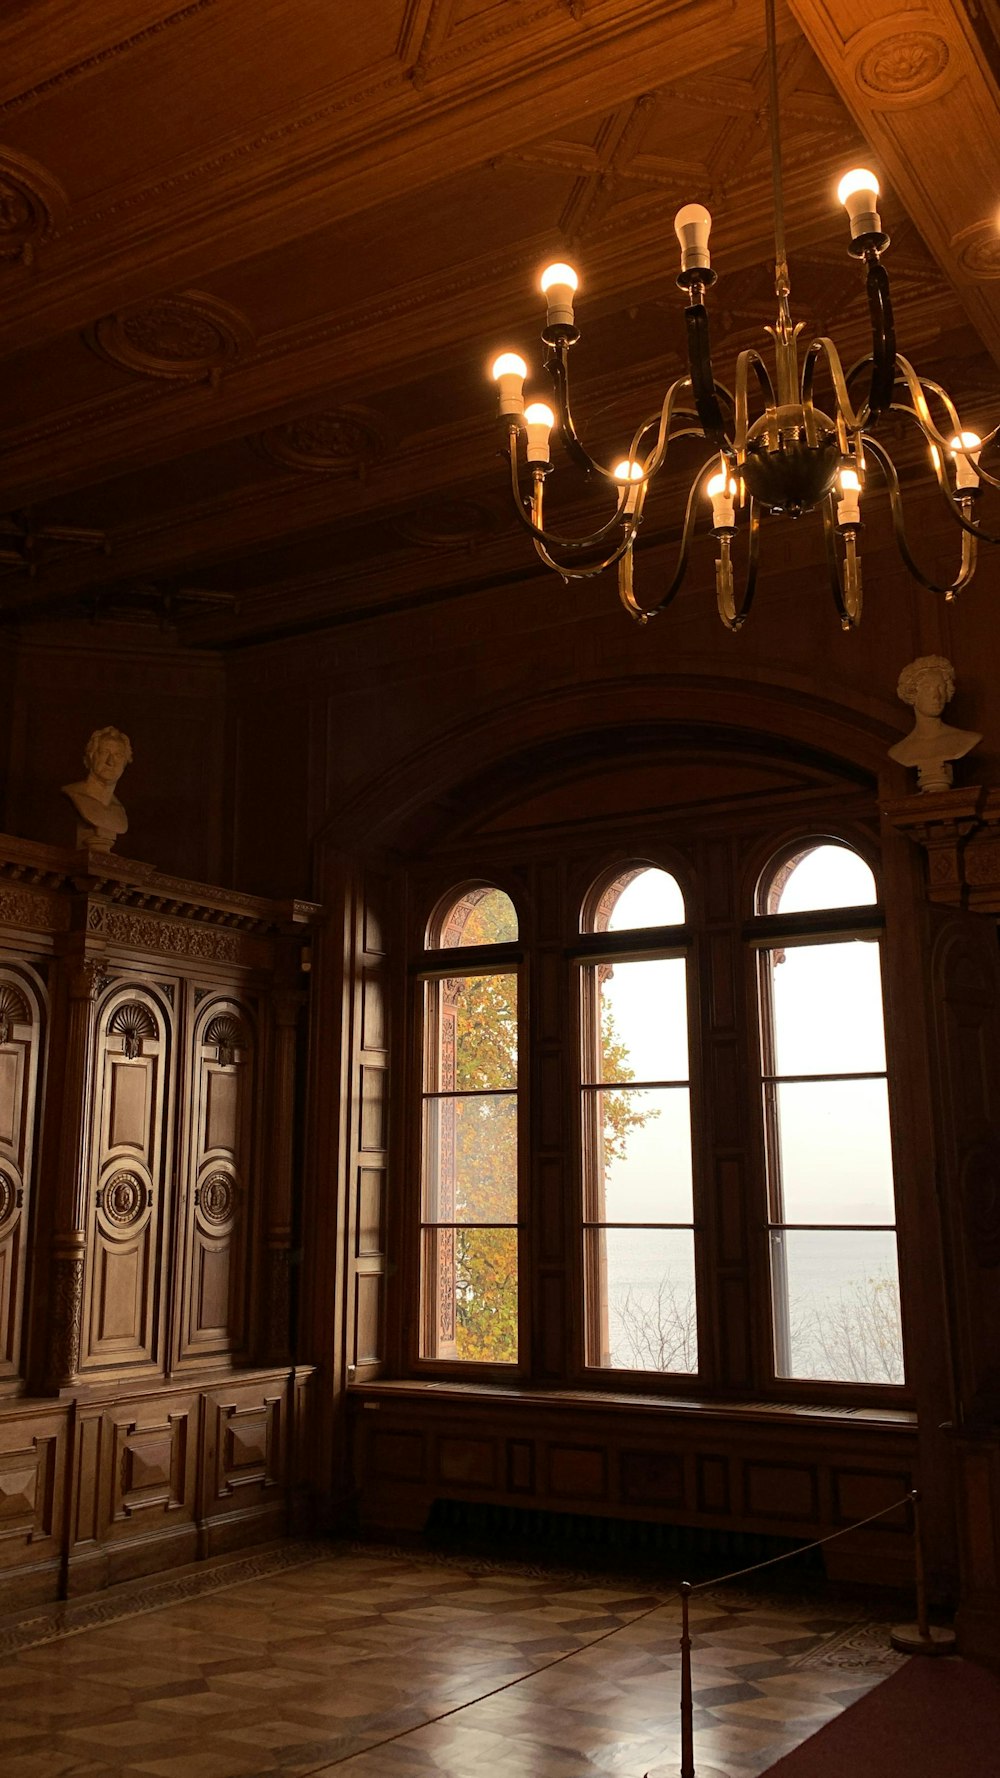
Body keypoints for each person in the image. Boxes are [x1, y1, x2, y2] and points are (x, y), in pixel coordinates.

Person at [888, 656, 980, 793]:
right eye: (927, 688)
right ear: (912, 693)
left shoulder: (966, 740)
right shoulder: (900, 751)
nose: (936, 696)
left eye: (941, 687)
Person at [62, 726, 133, 850]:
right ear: (91, 756)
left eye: (118, 755)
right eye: (104, 752)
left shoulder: (119, 810)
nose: (110, 762)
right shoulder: (73, 794)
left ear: (125, 763)